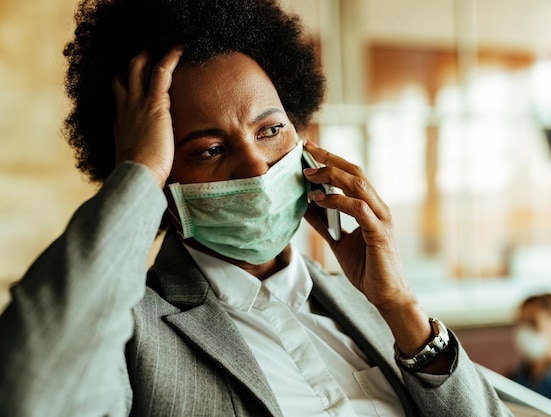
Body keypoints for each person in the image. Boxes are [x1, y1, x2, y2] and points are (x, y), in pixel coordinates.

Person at [0, 0, 512, 416]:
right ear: (159, 173)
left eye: (270, 130)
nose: (256, 167)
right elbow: (34, 391)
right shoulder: (135, 329)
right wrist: (135, 173)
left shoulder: (367, 308)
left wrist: (402, 308)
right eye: (209, 149)